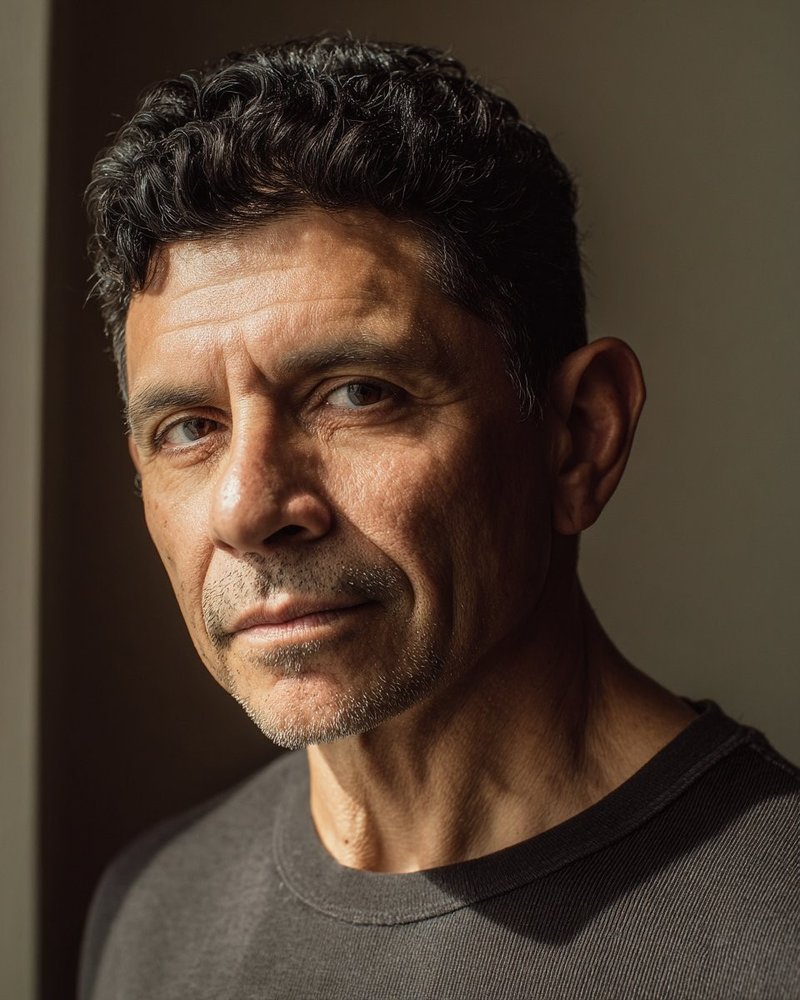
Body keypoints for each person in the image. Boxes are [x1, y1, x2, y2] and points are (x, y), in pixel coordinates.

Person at [79, 36, 798, 999]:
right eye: (188, 429)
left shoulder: (775, 934)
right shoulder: (150, 916)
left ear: (581, 438)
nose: (248, 507)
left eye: (356, 394)